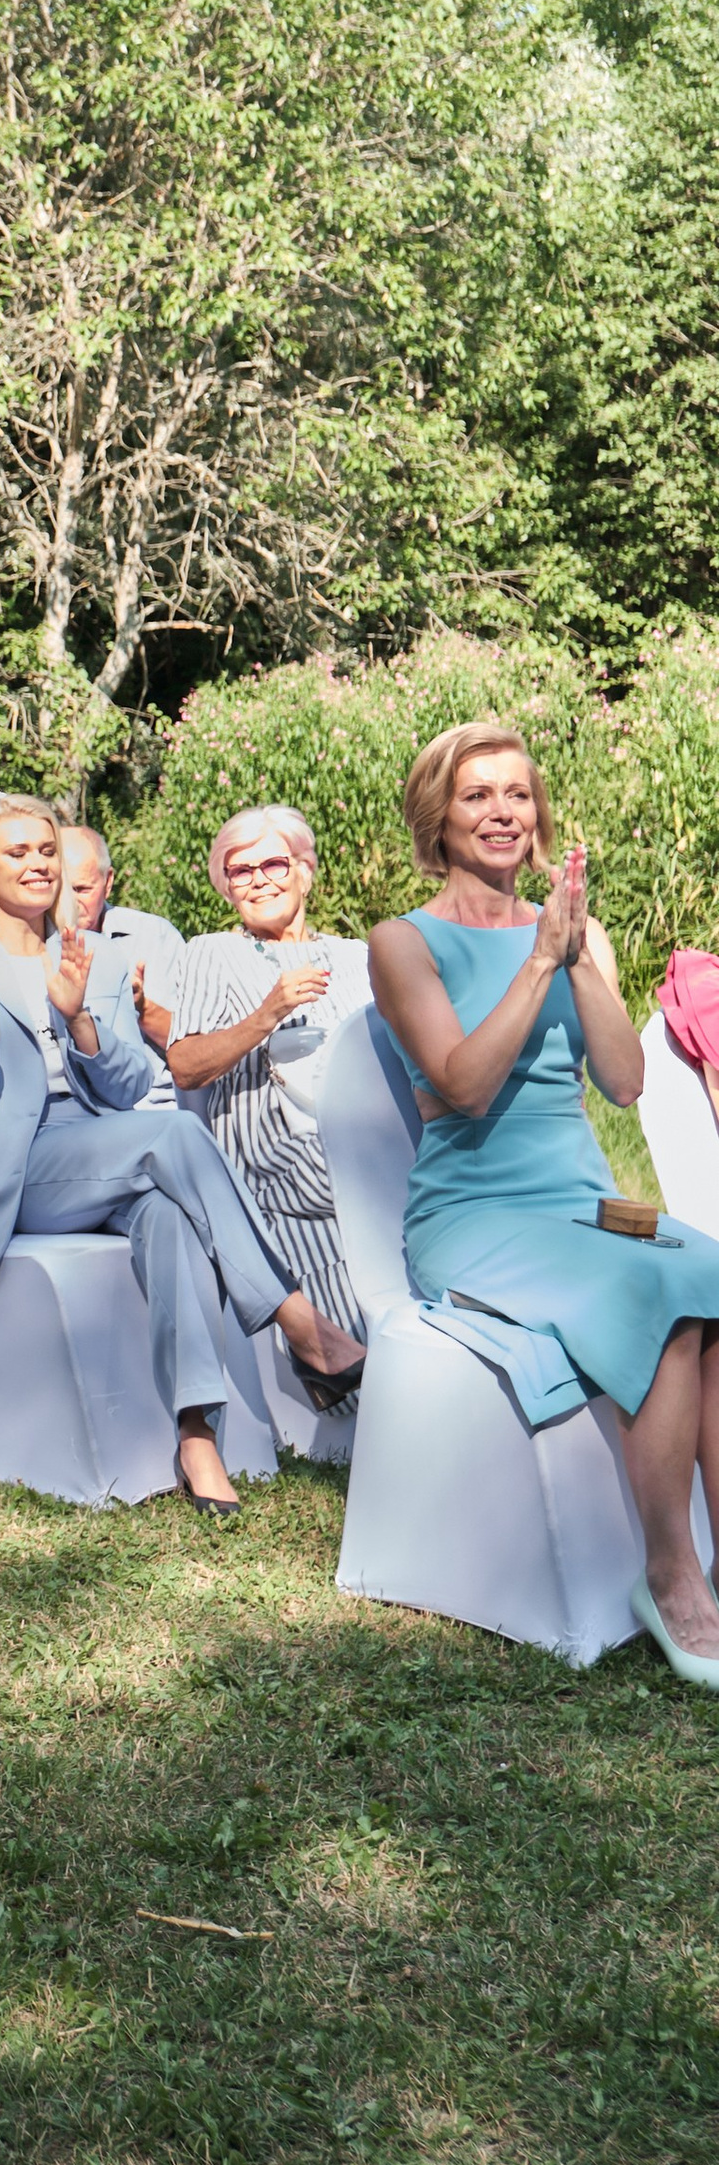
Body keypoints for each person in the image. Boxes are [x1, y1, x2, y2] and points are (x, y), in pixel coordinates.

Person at [369, 721, 719, 1690]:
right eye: (475, 795)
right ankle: (667, 1574)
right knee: (659, 1296)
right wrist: (533, 964)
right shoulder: (401, 943)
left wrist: (568, 955)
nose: (499, 813)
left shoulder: (575, 936)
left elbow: (625, 1080)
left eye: (515, 795)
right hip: (472, 1216)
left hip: (579, 1202)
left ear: (537, 815)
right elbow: (463, 1084)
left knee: (709, 1270)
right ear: (437, 820)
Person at [0, 798, 356, 1516]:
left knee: (169, 1216)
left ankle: (195, 1437)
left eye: (46, 852)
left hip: (107, 1152)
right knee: (176, 1135)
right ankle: (300, 1323)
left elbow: (126, 1088)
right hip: (11, 1170)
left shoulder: (98, 959)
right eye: (18, 853)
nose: (37, 864)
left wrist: (81, 1016)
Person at [165, 808, 373, 1376]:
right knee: (362, 1186)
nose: (259, 879)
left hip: (362, 1141)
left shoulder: (358, 957)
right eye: (241, 870)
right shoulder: (214, 953)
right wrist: (267, 1014)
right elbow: (184, 1065)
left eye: (274, 863)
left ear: (304, 872)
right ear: (226, 887)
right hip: (276, 1157)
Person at [59, 824, 188, 1107]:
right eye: (60, 889)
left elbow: (194, 1049)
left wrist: (142, 1009)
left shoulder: (153, 936)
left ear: (108, 881)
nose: (70, 901)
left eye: (81, 889)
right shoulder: (33, 944)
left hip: (151, 1105)